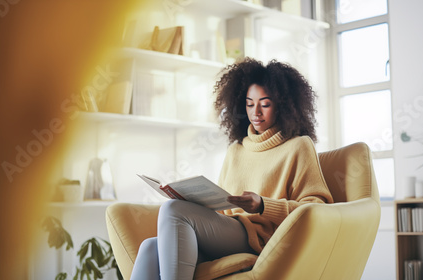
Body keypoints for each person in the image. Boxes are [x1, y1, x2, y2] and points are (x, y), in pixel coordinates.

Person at [129, 57, 334, 280]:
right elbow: (223, 208)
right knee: (150, 247)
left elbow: (317, 208)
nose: (256, 112)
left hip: (259, 238)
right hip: (229, 231)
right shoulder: (236, 150)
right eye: (249, 104)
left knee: (172, 209)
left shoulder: (298, 146)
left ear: (283, 106)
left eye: (265, 104)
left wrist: (263, 205)